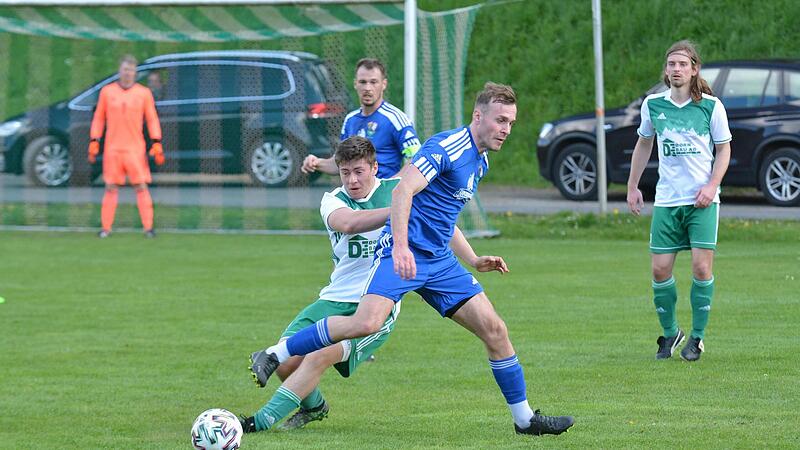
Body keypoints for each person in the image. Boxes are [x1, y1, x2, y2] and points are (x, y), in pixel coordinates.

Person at [251, 82, 575, 436]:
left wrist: (473, 258)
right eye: (500, 120)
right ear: (478, 116)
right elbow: (404, 188)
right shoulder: (446, 146)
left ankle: (524, 420)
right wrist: (401, 246)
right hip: (403, 253)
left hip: (439, 263)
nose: (506, 129)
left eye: (510, 122)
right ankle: (276, 353)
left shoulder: (480, 161)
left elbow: (443, 217)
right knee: (366, 322)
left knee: (495, 330)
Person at [240, 136, 400, 433]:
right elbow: (350, 223)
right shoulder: (333, 200)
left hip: (377, 303)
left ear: (375, 167)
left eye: (359, 171)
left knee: (319, 354)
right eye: (345, 172)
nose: (352, 180)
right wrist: (400, 210)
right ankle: (314, 407)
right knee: (285, 360)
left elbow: (441, 223)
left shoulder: (397, 191)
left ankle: (257, 423)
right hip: (334, 297)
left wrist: (473, 257)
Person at [626, 40, 731, 362]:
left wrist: (712, 186)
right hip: (668, 200)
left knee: (701, 268)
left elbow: (724, 149)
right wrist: (633, 186)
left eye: (682, 64)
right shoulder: (653, 105)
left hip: (702, 202)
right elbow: (644, 145)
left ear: (694, 69)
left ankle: (697, 338)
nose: (676, 70)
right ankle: (671, 332)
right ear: (666, 69)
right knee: (659, 271)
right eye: (671, 64)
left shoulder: (711, 107)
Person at [301, 58, 420, 179]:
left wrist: (391, 186)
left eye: (373, 82)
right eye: (363, 82)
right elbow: (341, 161)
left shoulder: (395, 119)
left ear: (384, 84)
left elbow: (416, 158)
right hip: (356, 193)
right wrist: (316, 163)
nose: (367, 88)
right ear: (355, 84)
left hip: (384, 195)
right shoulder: (350, 120)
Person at [89, 54, 165, 238]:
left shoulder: (143, 93)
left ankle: (148, 228)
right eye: (125, 69)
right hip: (113, 149)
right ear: (120, 71)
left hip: (135, 149)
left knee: (140, 185)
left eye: (131, 70)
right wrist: (94, 140)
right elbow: (99, 117)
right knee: (111, 187)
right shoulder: (107, 92)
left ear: (135, 73)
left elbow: (151, 118)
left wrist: (156, 142)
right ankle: (106, 229)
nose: (128, 73)